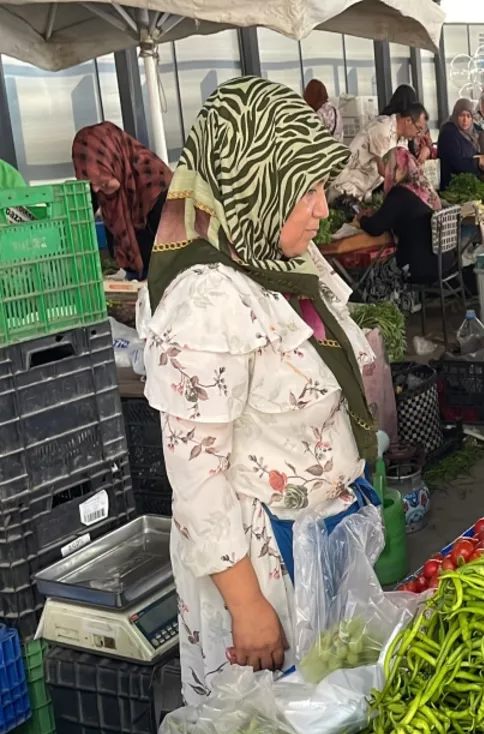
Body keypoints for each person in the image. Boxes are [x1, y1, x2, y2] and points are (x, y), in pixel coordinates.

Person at [138, 76, 379, 701]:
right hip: (264, 568)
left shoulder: (283, 265)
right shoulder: (205, 300)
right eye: (306, 190)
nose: (323, 208)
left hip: (322, 538)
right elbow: (196, 480)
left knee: (336, 716)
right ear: (253, 184)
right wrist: (248, 608)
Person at [72, 122, 171, 279]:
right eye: (91, 183)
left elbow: (175, 251)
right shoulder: (99, 183)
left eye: (102, 181)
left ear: (115, 160)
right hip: (132, 276)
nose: (96, 189)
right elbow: (77, 221)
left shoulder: (154, 182)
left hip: (167, 275)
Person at [358, 146, 449, 284]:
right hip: (444, 261)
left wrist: (362, 218)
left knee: (372, 276)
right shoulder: (423, 186)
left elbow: (375, 228)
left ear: (398, 168)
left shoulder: (399, 193)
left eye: (388, 167)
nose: (384, 174)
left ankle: (399, 303)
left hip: (419, 267)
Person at [329, 99, 428, 202]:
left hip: (363, 192)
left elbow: (404, 166)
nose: (419, 133)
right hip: (346, 188)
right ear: (408, 121)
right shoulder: (383, 128)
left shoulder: (402, 139)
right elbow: (385, 170)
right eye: (418, 128)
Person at [438, 99, 484, 190]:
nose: (465, 120)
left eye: (469, 116)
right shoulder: (449, 132)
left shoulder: (471, 134)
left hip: (467, 186)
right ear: (455, 115)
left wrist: (482, 168)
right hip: (452, 188)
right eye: (462, 115)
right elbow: (457, 162)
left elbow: (471, 157)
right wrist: (479, 162)